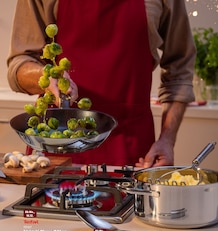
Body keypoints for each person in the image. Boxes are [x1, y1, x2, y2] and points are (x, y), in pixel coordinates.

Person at [7, 0, 196, 168]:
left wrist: (167, 140)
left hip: (133, 152)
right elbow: (19, 63)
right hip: (56, 146)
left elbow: (180, 65)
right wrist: (46, 76)